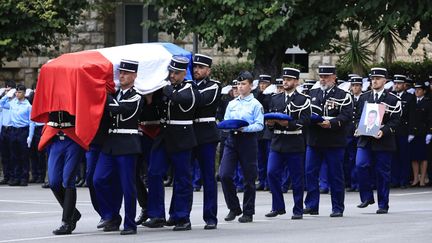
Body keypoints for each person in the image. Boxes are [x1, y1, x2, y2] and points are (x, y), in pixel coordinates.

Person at [143, 56, 199, 231]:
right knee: (153, 172)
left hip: (182, 136)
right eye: (170, 72)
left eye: (175, 73)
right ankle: (157, 214)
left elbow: (182, 100)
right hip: (164, 136)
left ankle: (182, 217)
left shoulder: (190, 88)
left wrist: (165, 88)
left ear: (184, 73)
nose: (172, 75)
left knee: (182, 178)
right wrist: (150, 100)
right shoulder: (166, 89)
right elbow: (154, 111)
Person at [93, 59, 143, 235]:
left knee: (127, 186)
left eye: (126, 73)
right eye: (120, 72)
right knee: (98, 179)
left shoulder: (136, 96)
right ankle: (111, 215)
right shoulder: (115, 93)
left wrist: (102, 93)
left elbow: (118, 109)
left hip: (127, 144)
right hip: (111, 144)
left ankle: (130, 224)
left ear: (134, 76)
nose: (122, 76)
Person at [304, 65, 352, 217]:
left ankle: (337, 207)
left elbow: (346, 116)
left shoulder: (343, 95)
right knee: (310, 172)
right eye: (321, 76)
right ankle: (312, 205)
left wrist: (331, 123)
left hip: (334, 141)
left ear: (334, 77)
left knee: (335, 175)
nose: (323, 79)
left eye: (326, 76)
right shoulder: (312, 93)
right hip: (315, 140)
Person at [265, 67, 310, 220]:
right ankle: (278, 206)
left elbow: (304, 121)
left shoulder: (303, 99)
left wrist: (287, 124)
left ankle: (298, 208)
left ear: (296, 82)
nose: (285, 82)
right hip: (278, 141)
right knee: (271, 173)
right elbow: (271, 119)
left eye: (289, 79)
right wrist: (270, 123)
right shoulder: (275, 98)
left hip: (294, 140)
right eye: (284, 79)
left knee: (297, 177)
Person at [219, 71, 264, 223]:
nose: (240, 86)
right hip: (232, 140)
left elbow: (259, 124)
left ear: (251, 86)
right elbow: (226, 121)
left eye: (243, 84)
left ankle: (248, 211)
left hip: (248, 140)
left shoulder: (256, 104)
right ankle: (234, 207)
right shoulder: (232, 103)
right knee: (224, 174)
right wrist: (228, 127)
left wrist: (245, 128)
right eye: (238, 84)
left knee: (249, 178)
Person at [355, 67, 401, 214]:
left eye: (377, 78)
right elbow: (357, 117)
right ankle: (367, 197)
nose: (374, 81)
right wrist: (357, 127)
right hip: (365, 139)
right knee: (360, 165)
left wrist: (384, 131)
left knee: (382, 173)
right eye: (372, 78)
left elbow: (395, 121)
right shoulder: (364, 97)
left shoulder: (392, 99)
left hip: (383, 140)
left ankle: (383, 204)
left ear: (385, 81)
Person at [191, 54, 221, 229]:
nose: (197, 70)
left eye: (201, 68)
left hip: (206, 135)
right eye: (195, 67)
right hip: (189, 133)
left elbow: (199, 101)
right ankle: (180, 215)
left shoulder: (214, 86)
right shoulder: (189, 85)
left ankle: (210, 217)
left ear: (208, 70)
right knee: (184, 177)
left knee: (208, 177)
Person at [0, 84, 35, 187]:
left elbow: (31, 122)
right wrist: (7, 95)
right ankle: (16, 177)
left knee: (23, 155)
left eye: (19, 92)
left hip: (23, 131)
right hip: (13, 131)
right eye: (16, 92)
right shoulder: (12, 103)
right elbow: (1, 104)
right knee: (14, 155)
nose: (17, 94)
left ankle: (24, 178)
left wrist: (30, 136)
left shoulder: (28, 106)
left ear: (24, 93)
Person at [391, 75, 415, 189]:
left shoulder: (410, 97)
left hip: (404, 131)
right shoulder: (391, 96)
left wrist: (411, 132)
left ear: (404, 85)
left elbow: (412, 116)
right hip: (392, 131)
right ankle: (394, 180)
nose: (396, 85)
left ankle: (403, 180)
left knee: (404, 157)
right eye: (395, 83)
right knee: (393, 157)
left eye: (399, 84)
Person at [409, 81, 432, 187]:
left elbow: (430, 119)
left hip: (423, 133)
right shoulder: (412, 102)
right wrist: (410, 132)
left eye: (419, 90)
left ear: (424, 91)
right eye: (416, 90)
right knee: (414, 158)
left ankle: (422, 179)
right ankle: (415, 179)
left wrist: (429, 132)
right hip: (413, 133)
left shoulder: (428, 102)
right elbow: (409, 118)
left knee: (423, 158)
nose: (417, 91)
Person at [345, 76, 363, 192]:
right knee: (350, 158)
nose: (355, 88)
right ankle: (352, 182)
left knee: (360, 159)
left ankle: (360, 183)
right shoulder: (348, 98)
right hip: (349, 131)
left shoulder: (365, 97)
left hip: (360, 131)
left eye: (357, 85)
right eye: (353, 85)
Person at [255, 74, 272, 191]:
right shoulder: (257, 95)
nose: (262, 86)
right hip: (259, 130)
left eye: (264, 84)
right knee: (260, 158)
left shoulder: (272, 96)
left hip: (268, 129)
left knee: (268, 157)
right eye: (261, 83)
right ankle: (261, 180)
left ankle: (268, 182)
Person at [0, 81, 16, 185]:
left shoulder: (14, 103)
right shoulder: (5, 102)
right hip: (3, 130)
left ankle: (13, 176)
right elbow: (1, 103)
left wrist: (11, 94)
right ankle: (6, 176)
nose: (8, 91)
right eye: (6, 89)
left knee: (12, 155)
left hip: (12, 129)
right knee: (4, 156)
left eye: (9, 89)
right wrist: (5, 94)